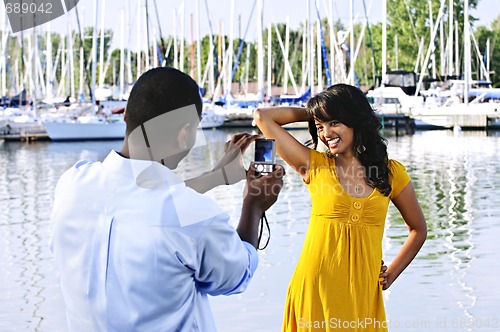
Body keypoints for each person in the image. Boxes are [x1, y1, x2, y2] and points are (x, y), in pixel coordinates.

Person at [50, 67, 285, 331]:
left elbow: (141, 200)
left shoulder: (72, 184)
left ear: (127, 116)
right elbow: (237, 275)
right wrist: (253, 205)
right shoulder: (193, 215)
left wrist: (215, 176)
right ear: (184, 133)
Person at [254, 84, 427, 331]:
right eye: (320, 126)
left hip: (362, 295)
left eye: (334, 122)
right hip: (315, 291)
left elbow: (418, 229)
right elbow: (263, 117)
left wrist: (391, 274)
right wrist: (316, 113)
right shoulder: (313, 165)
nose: (326, 133)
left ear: (355, 119)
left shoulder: (392, 174)